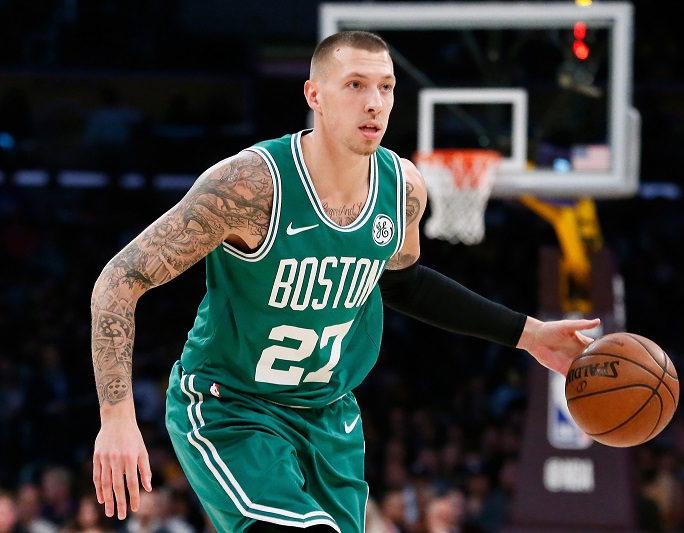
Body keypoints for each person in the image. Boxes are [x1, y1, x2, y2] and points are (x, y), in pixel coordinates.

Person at [90, 30, 600, 533]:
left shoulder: (403, 189)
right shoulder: (250, 185)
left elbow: (405, 285)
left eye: (386, 87)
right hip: (232, 407)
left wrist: (530, 334)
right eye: (355, 84)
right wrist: (116, 418)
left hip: (329, 417)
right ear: (314, 95)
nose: (374, 102)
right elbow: (120, 279)